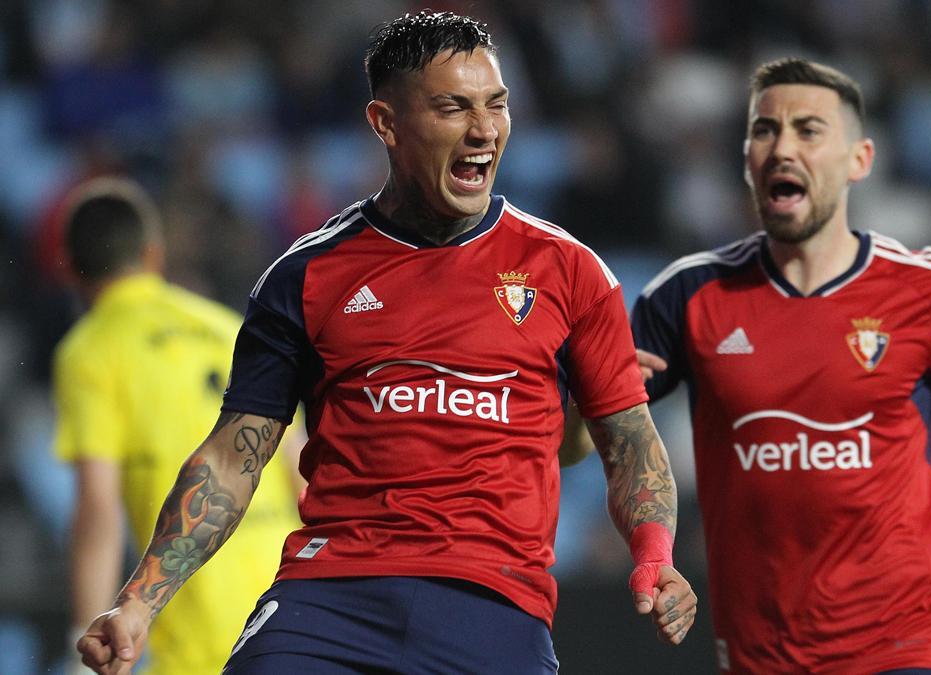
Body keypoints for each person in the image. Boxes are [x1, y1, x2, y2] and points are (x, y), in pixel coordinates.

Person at [75, 11, 696, 675]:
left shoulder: (569, 271)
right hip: (326, 600)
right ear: (385, 123)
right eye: (453, 108)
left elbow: (628, 438)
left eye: (496, 104)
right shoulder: (304, 276)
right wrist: (138, 601)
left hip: (493, 604)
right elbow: (233, 458)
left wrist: (656, 556)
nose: (484, 129)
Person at [627, 58, 931, 673]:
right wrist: (592, 412)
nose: (782, 148)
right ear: (747, 156)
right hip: (758, 657)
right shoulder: (685, 296)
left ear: (860, 159)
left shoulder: (929, 292)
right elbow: (596, 438)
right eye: (764, 130)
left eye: (808, 130)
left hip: (908, 651)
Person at [53, 177, 303, 675]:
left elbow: (98, 507)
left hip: (199, 615)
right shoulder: (225, 325)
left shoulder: (91, 350)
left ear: (70, 271)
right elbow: (301, 466)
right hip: (289, 599)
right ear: (152, 254)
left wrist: (83, 637)